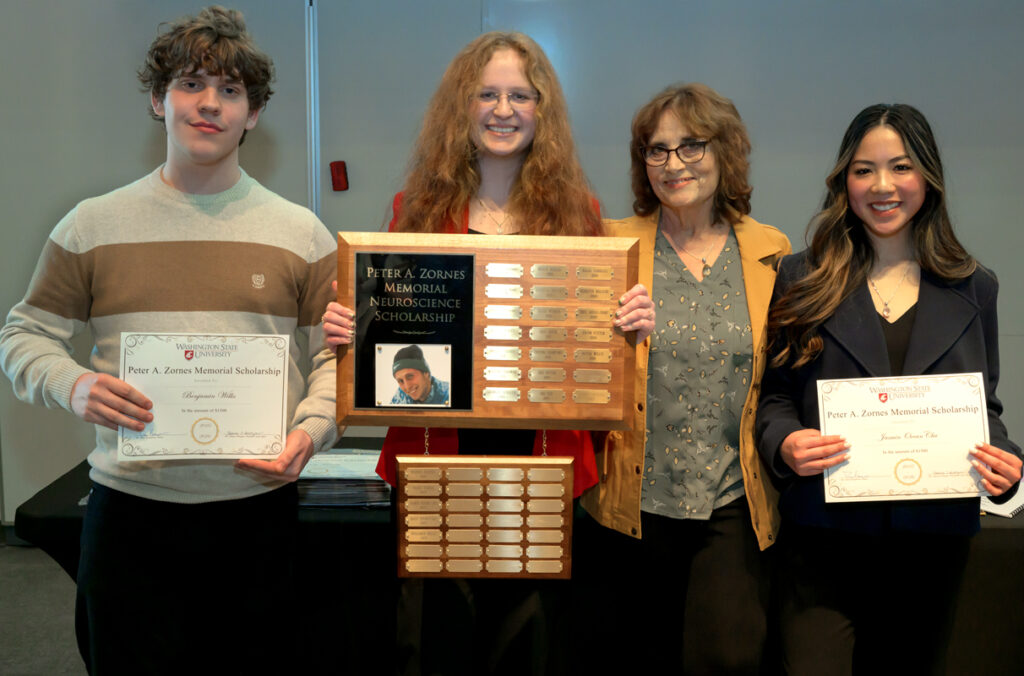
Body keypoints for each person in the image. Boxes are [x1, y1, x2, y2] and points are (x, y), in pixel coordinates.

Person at [0, 7, 337, 673]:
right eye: (190, 84)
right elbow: (23, 335)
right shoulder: (91, 225)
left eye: (232, 90)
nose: (210, 104)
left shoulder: (302, 234)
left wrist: (315, 426)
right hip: (131, 519)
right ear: (158, 100)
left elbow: (334, 357)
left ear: (254, 113)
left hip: (257, 516)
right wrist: (76, 385)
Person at [324, 31, 654, 675]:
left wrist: (626, 322)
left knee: (527, 640)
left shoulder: (578, 214)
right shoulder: (415, 209)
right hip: (438, 445)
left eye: (520, 96)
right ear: (462, 108)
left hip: (540, 451)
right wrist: (352, 326)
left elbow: (590, 336)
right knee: (436, 635)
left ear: (542, 112)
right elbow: (389, 332)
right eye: (488, 94)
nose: (504, 110)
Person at [756, 103, 1022, 675]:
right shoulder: (802, 277)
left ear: (927, 176)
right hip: (824, 537)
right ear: (843, 181)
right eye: (862, 170)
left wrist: (1007, 463)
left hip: (931, 545)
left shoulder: (975, 287)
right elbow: (776, 395)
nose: (882, 186)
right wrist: (785, 443)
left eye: (900, 167)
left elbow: (985, 408)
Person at [576, 83, 792, 675]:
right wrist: (607, 333)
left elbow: (787, 379)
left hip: (731, 501)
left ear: (725, 151)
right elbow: (564, 360)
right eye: (657, 150)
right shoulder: (609, 244)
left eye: (691, 146)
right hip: (630, 503)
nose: (673, 164)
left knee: (727, 658)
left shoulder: (771, 251)